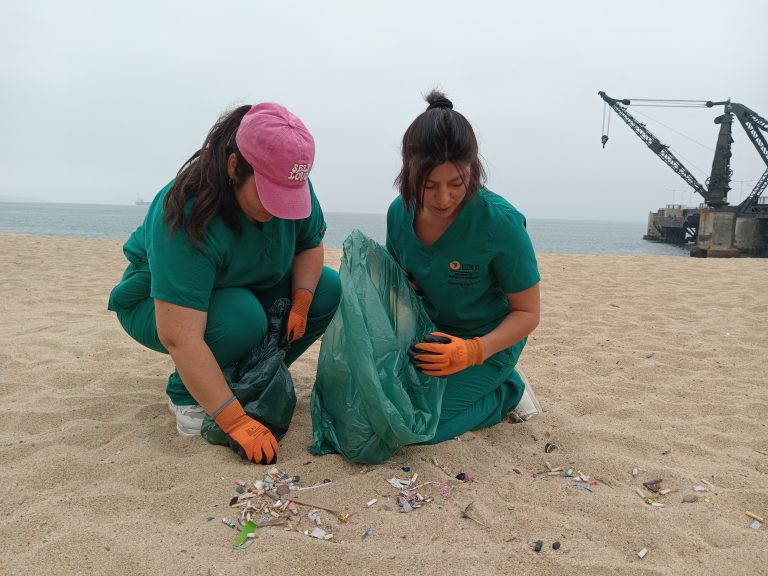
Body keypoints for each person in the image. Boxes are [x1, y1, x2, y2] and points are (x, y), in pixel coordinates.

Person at [108, 103, 341, 464]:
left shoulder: (293, 181)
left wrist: (301, 302)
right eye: (269, 194)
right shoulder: (187, 209)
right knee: (242, 318)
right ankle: (186, 394)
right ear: (234, 166)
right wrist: (234, 421)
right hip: (157, 306)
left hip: (241, 288)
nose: (280, 210)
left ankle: (244, 380)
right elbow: (179, 335)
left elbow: (310, 244)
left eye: (288, 197)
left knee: (325, 288)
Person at [387, 90, 541, 444]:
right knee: (378, 406)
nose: (443, 198)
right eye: (429, 186)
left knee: (417, 429)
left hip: (486, 342)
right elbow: (398, 282)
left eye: (456, 184)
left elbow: (528, 313)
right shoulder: (399, 214)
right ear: (409, 172)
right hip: (429, 334)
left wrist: (473, 351)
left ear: (473, 169)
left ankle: (508, 391)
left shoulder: (499, 223)